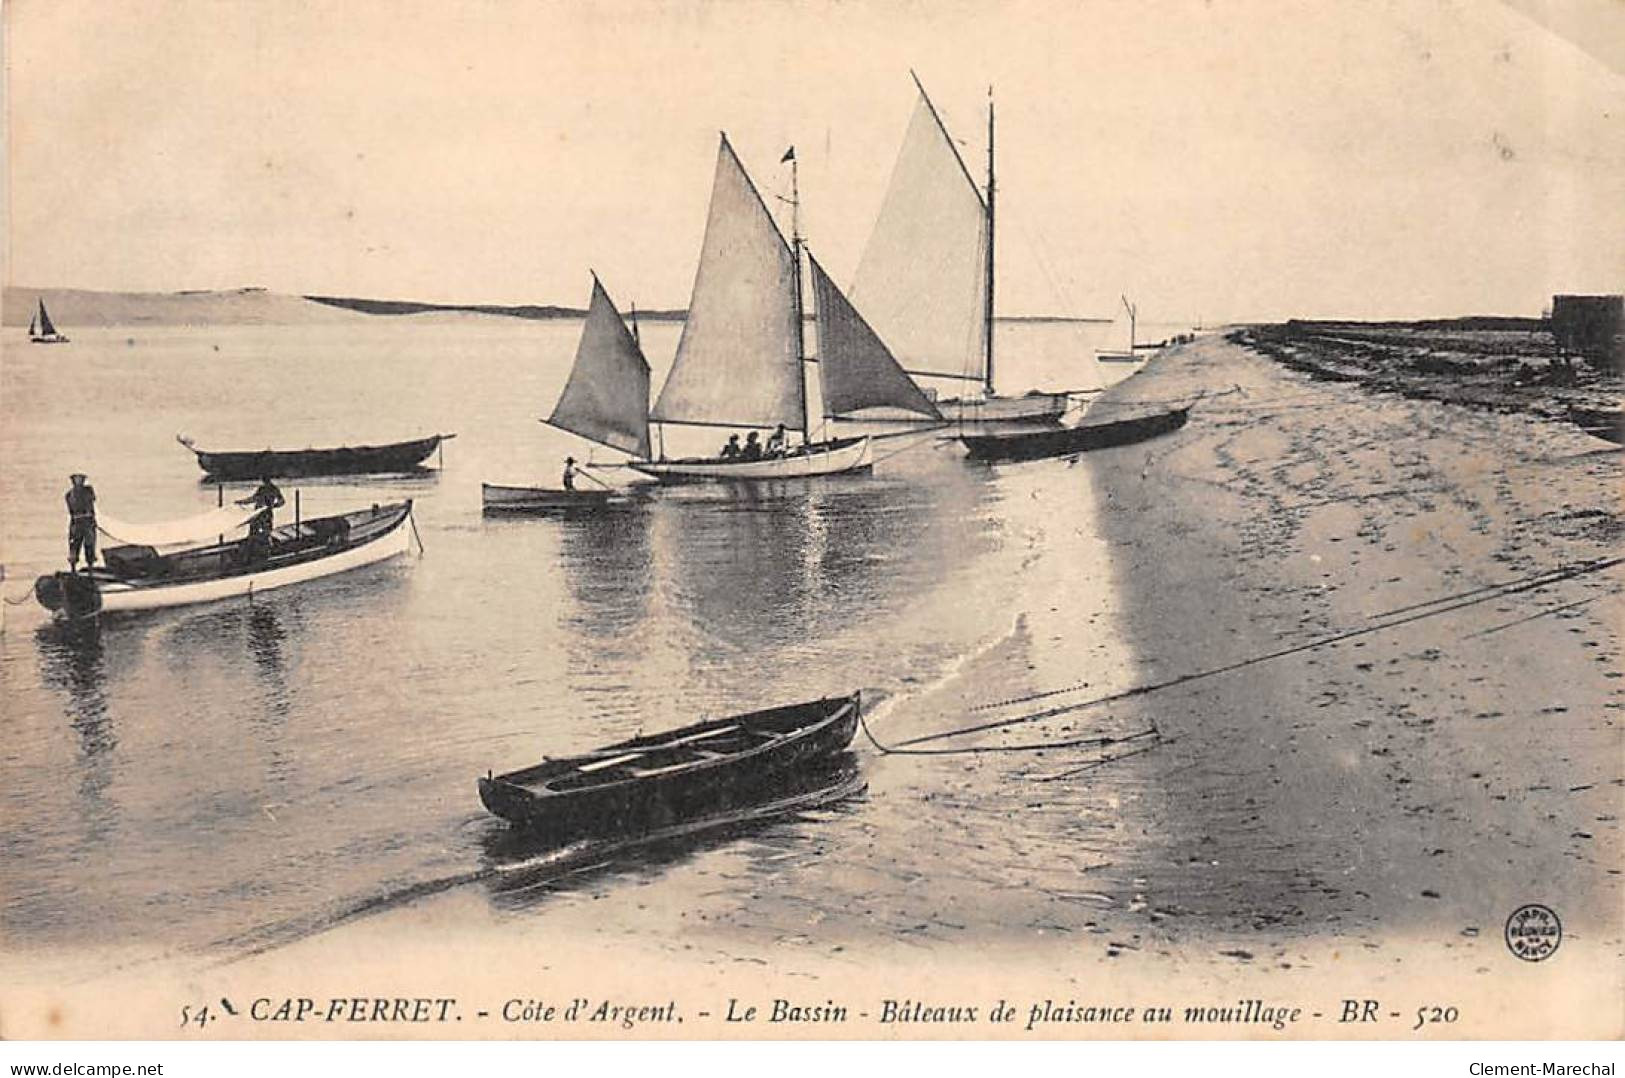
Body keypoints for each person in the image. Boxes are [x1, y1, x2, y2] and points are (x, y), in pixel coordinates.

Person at [237, 475, 286, 561]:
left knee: (265, 533)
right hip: (258, 514)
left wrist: (273, 506)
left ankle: (265, 553)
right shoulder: (264, 489)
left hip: (265, 514)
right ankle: (253, 552)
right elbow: (254, 499)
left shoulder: (273, 489)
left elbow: (282, 501)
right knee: (253, 533)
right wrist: (242, 502)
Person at [64, 473, 97, 572]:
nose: (79, 482)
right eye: (77, 480)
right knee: (74, 545)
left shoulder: (88, 491)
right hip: (76, 522)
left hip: (88, 522)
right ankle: (73, 568)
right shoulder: (69, 494)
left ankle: (90, 566)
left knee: (89, 544)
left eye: (81, 480)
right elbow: (71, 509)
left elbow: (92, 500)